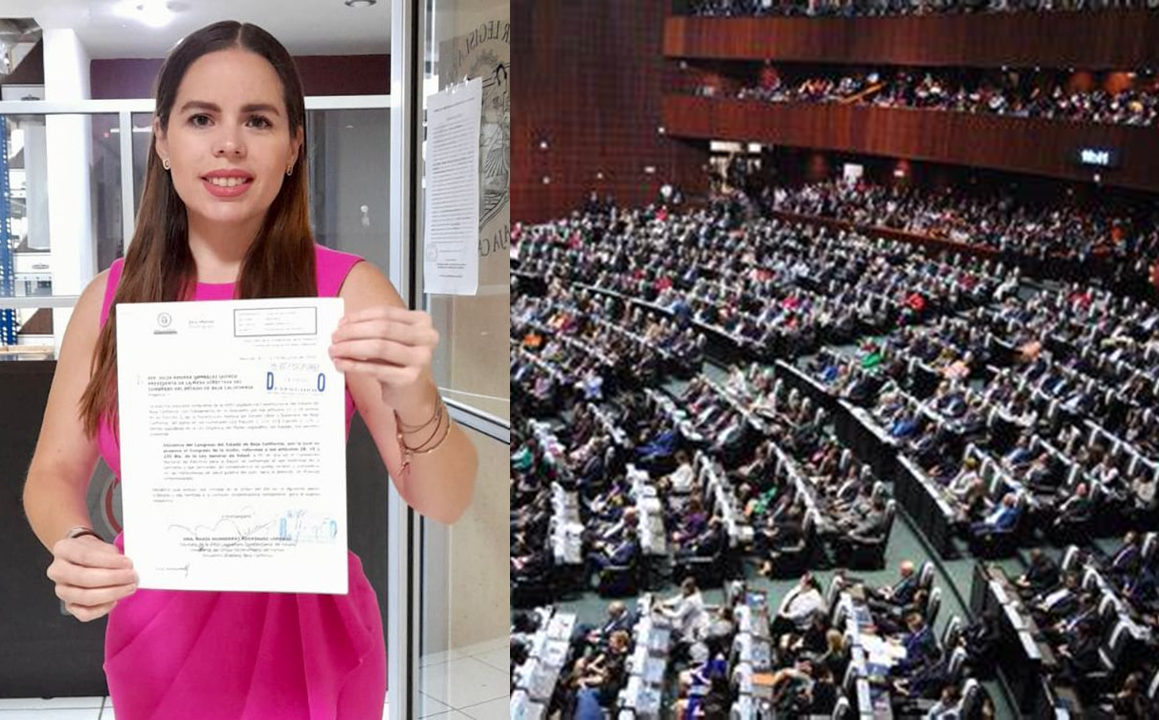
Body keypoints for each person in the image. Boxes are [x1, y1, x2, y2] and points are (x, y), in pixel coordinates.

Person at [21, 21, 477, 720]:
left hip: (311, 642)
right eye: (201, 118)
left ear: (293, 146)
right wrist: (75, 542)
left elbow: (444, 501)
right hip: (159, 636)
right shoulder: (108, 300)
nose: (229, 144)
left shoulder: (349, 291)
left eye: (258, 120)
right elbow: (52, 472)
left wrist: (416, 397)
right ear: (162, 140)